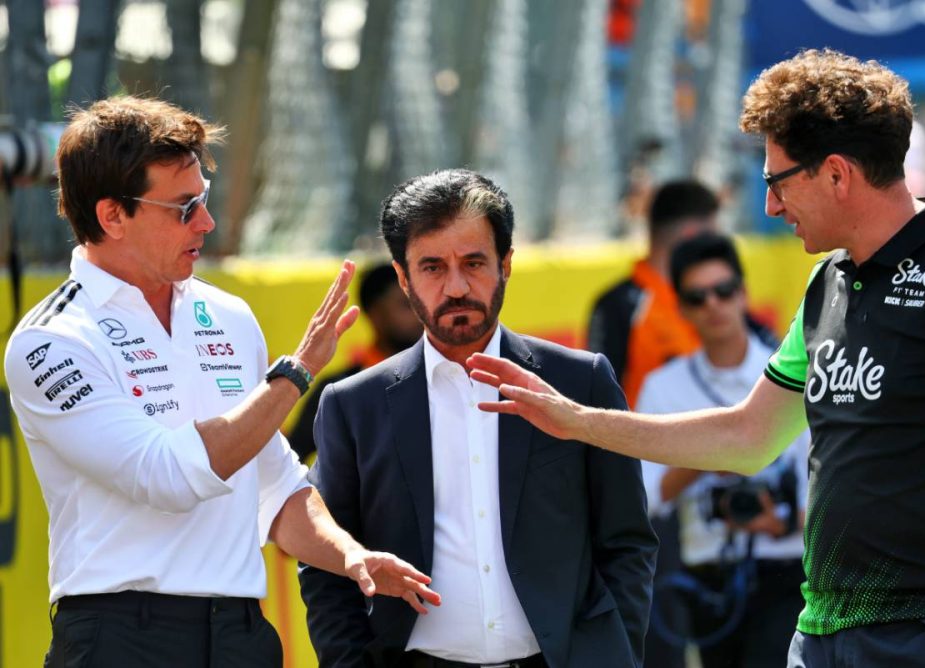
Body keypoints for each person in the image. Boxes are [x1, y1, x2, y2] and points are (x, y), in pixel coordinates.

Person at [468, 49, 925, 668]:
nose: (771, 206)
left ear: (836, 174)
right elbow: (748, 436)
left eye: (777, 181)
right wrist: (578, 422)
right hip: (823, 631)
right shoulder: (828, 281)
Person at [3, 96, 439, 668]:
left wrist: (350, 555)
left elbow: (274, 484)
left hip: (240, 632)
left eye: (203, 198)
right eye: (183, 208)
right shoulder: (51, 340)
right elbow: (167, 476)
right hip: (121, 637)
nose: (205, 222)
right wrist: (295, 375)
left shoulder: (228, 314)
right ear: (112, 217)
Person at [299, 169, 658, 668]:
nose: (457, 286)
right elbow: (327, 563)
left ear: (505, 264)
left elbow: (626, 540)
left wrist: (611, 657)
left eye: (474, 262)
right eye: (432, 267)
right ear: (403, 277)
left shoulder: (579, 381)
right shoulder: (354, 405)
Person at [637, 232, 808, 668]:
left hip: (787, 568)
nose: (713, 305)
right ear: (681, 308)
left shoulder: (790, 377)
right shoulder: (664, 387)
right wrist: (711, 453)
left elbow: (824, 489)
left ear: (744, 293)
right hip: (706, 576)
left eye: (724, 290)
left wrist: (781, 521)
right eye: (697, 297)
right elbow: (646, 495)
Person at [586, 179, 716, 409]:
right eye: (712, 239)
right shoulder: (619, 305)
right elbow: (597, 398)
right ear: (691, 235)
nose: (718, 251)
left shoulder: (713, 296)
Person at [286, 262, 423, 460]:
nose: (420, 316)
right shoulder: (340, 389)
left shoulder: (442, 377)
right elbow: (293, 455)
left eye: (422, 305)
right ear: (376, 314)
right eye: (406, 305)